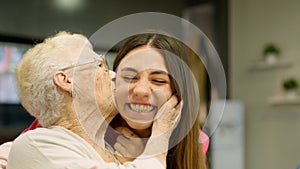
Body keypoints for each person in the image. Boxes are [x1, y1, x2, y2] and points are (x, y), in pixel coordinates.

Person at [5, 31, 181, 169]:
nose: (114, 76)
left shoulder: (121, 148)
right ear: (67, 81)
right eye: (100, 65)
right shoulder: (36, 145)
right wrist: (160, 135)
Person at [106, 32, 208, 169]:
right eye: (129, 77)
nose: (140, 91)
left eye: (158, 81)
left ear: (178, 93)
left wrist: (145, 157)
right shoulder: (94, 133)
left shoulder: (197, 140)